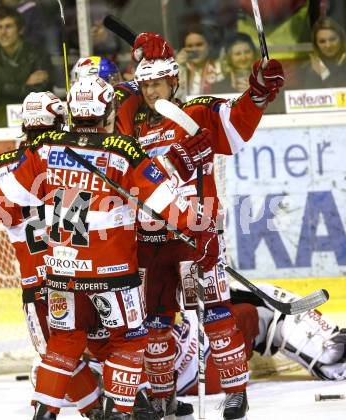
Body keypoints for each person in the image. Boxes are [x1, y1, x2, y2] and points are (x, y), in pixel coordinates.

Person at [0, 75, 213, 419]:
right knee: (128, 338)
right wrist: (198, 227)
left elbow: (2, 199)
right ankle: (120, 411)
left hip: (60, 273)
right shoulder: (124, 150)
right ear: (108, 112)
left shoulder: (45, 151)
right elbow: (166, 204)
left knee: (64, 342)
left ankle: (45, 413)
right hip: (112, 273)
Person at [113, 31, 284, 420]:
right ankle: (162, 397)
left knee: (216, 313)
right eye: (146, 83)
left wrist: (257, 91)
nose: (151, 89)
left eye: (158, 82)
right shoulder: (130, 125)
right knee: (155, 321)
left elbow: (238, 124)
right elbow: (108, 113)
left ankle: (236, 393)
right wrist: (142, 52)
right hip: (150, 239)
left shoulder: (199, 113)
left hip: (197, 237)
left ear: (174, 81)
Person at [174, 282, 346, 397]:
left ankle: (329, 359)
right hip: (204, 369)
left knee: (245, 309)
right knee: (250, 311)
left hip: (194, 372)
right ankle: (329, 354)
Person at [0, 6, 52, 105]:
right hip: (3, 118)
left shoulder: (38, 55)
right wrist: (25, 85)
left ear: (21, 30)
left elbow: (42, 95)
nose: (3, 32)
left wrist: (1, 89)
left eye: (8, 26)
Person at [175, 25, 224, 100]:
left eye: (199, 44)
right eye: (190, 46)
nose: (194, 49)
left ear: (209, 46)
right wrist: (178, 66)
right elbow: (175, 97)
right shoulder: (180, 68)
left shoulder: (219, 68)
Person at [298, 16, 346, 89]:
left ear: (341, 39)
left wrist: (324, 73)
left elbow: (340, 92)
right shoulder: (310, 68)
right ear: (316, 44)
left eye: (332, 39)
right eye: (322, 41)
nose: (328, 45)